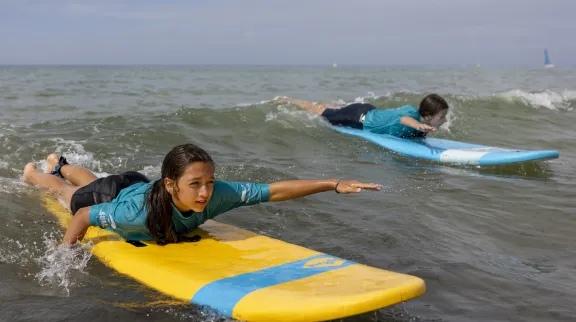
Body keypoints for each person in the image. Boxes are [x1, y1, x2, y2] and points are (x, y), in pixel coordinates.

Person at [22, 143, 381, 246]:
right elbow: (84, 218)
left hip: (135, 182)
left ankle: (62, 161)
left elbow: (273, 191)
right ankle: (39, 172)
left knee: (96, 182)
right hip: (118, 196)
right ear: (172, 184)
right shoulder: (136, 217)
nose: (206, 192)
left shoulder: (215, 193)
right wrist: (66, 253)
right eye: (196, 184)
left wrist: (333, 184)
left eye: (209, 182)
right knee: (71, 197)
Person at [274, 94, 449, 138]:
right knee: (321, 112)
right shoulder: (412, 114)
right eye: (441, 116)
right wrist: (418, 126)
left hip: (370, 111)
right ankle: (289, 101)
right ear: (427, 115)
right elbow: (403, 120)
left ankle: (327, 104)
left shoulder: (421, 129)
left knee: (332, 109)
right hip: (359, 117)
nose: (444, 120)